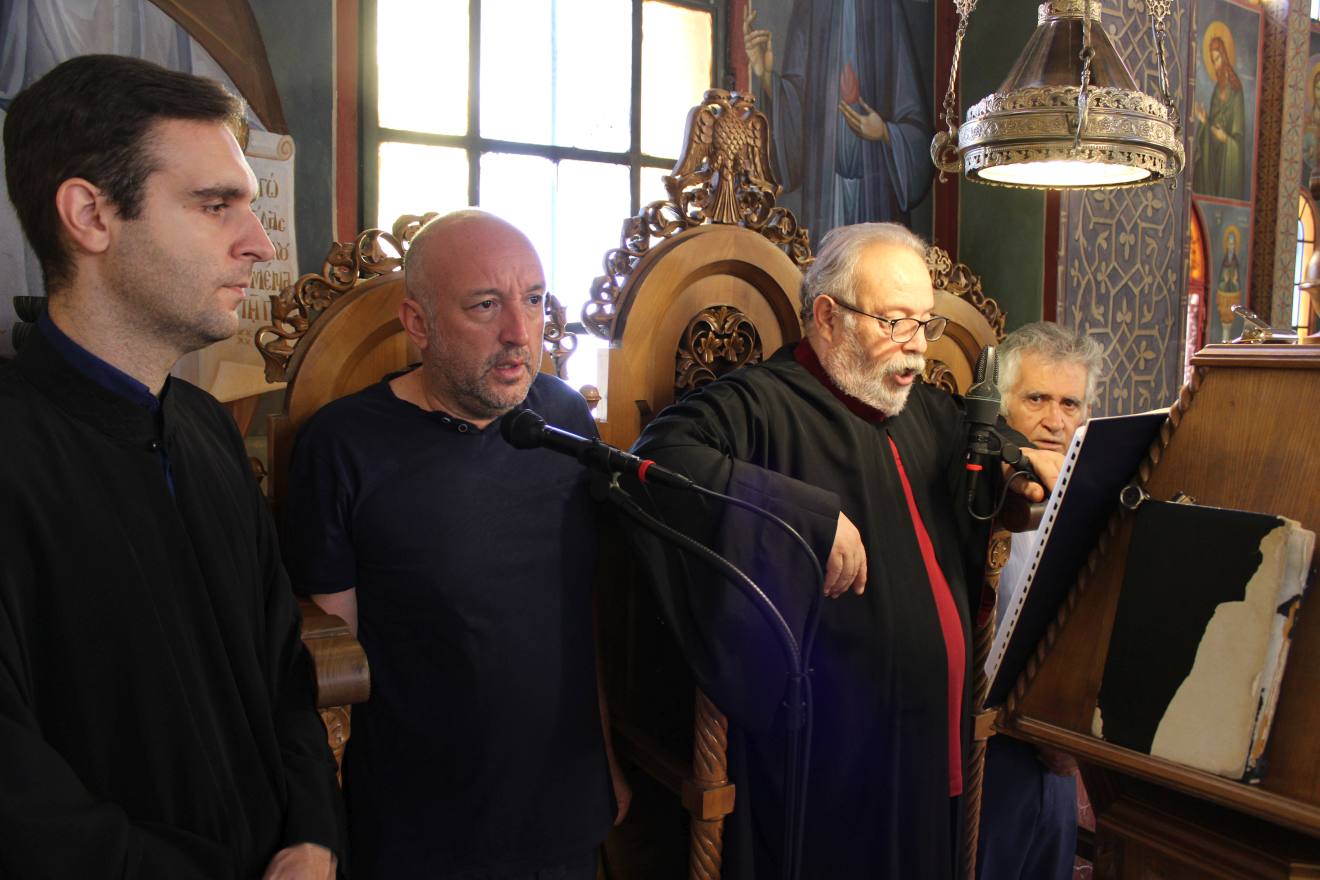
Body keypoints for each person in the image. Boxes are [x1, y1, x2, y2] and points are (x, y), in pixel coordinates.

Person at [627, 222, 1060, 879]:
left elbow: (990, 446)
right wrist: (798, 515)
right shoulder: (758, 403)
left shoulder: (924, 410)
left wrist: (1021, 466)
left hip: (932, 747)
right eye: (895, 322)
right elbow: (657, 462)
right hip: (831, 771)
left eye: (926, 324)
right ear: (827, 317)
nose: (917, 347)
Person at [0, 55, 342, 878]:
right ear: (90, 215)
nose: (259, 243)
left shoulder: (204, 428)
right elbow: (20, 801)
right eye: (215, 205)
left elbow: (283, 674)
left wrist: (313, 835)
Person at [282, 210, 629, 878]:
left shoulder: (562, 417)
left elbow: (579, 613)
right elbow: (328, 675)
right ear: (418, 323)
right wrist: (318, 830)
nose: (520, 333)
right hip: (421, 827)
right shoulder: (343, 446)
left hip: (562, 808)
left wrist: (606, 760)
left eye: (534, 300)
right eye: (485, 305)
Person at [977, 321, 1104, 880]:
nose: (1055, 420)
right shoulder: (975, 486)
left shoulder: (1093, 489)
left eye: (1069, 403)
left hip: (1058, 741)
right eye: (1037, 399)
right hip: (985, 740)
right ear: (1003, 403)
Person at [743, 0, 934, 243]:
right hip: (826, 189)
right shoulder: (810, 6)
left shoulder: (887, 7)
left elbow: (913, 116)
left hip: (875, 192)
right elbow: (796, 108)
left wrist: (885, 132)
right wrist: (766, 76)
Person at [1193, 31, 1247, 201]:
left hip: (1227, 157)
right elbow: (1213, 124)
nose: (1215, 65)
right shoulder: (1217, 90)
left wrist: (1226, 139)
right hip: (1213, 151)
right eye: (1212, 60)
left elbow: (1238, 138)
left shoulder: (1236, 90)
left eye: (1217, 59)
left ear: (1224, 57)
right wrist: (1205, 120)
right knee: (1198, 167)